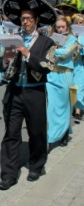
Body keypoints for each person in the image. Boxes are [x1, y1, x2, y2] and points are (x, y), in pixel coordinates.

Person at [0, 0, 57, 190]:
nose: (25, 22)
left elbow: (48, 66)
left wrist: (27, 53)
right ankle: (9, 174)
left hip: (35, 92)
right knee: (11, 133)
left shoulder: (47, 42)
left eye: (29, 19)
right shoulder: (13, 39)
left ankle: (36, 166)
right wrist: (5, 59)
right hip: (14, 91)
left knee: (37, 132)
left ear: (36, 21)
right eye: (23, 18)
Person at [46, 15, 77, 153]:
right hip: (52, 75)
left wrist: (53, 49)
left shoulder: (72, 39)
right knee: (51, 107)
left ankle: (64, 132)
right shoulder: (51, 37)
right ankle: (51, 137)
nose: (60, 29)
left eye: (63, 27)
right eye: (58, 27)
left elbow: (65, 53)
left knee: (64, 106)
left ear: (67, 27)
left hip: (65, 75)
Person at [71, 13, 84, 123]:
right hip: (70, 66)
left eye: (81, 22)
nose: (79, 24)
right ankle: (71, 108)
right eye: (77, 22)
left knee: (79, 88)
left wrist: (82, 48)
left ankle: (78, 111)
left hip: (80, 65)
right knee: (70, 88)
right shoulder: (70, 35)